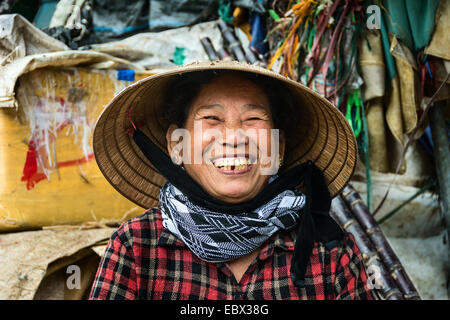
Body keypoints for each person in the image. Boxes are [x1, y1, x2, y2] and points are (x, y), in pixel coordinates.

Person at [89, 61, 375, 300]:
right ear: (177, 146)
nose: (234, 137)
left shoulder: (329, 252)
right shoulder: (137, 247)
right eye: (212, 118)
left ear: (279, 148)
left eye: (253, 119)